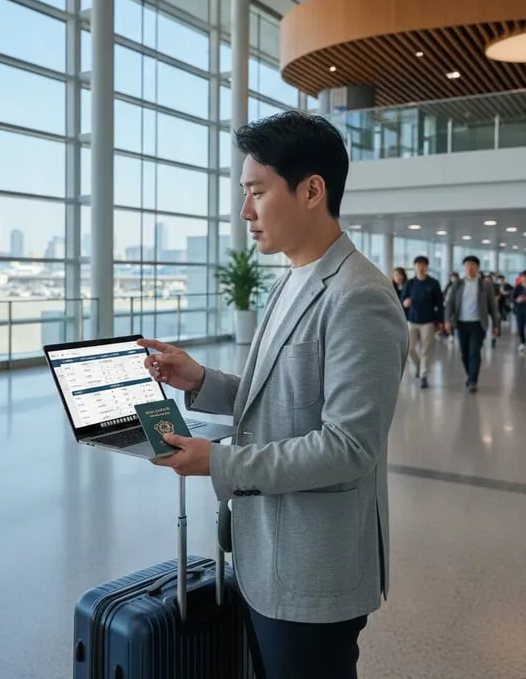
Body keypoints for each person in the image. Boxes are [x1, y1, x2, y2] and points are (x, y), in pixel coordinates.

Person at [138, 112, 408, 679]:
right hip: (267, 556)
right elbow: (282, 399)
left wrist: (220, 461)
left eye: (257, 192)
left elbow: (348, 447)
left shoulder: (360, 296)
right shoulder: (291, 278)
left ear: (312, 190)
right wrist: (202, 381)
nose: (245, 212)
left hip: (314, 570)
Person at [445, 256, 500, 393]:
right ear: (464, 268)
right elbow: (450, 304)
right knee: (464, 354)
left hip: (477, 324)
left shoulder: (485, 285)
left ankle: (472, 380)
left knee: (474, 352)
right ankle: (470, 374)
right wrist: (447, 320)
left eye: (473, 265)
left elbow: (493, 306)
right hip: (462, 324)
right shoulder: (458, 284)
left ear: (477, 268)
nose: (470, 268)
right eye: (467, 265)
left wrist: (496, 324)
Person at [401, 256, 444, 388]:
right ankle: (419, 365)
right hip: (412, 321)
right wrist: (405, 303)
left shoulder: (433, 283)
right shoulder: (410, 283)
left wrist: (440, 321)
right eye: (418, 265)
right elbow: (402, 300)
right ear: (414, 267)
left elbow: (440, 304)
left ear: (427, 267)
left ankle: (423, 375)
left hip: (428, 321)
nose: (420, 267)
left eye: (423, 265)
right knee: (410, 348)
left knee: (426, 350)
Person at [513, 271, 526, 354]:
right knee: (520, 327)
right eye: (523, 276)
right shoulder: (518, 287)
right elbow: (512, 298)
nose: (524, 278)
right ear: (520, 278)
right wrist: (517, 300)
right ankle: (522, 343)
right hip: (520, 310)